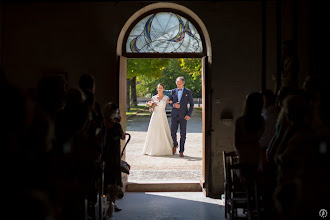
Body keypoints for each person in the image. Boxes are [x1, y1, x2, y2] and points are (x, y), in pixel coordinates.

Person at [103, 102, 125, 213]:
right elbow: (122, 137)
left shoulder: (102, 124)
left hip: (104, 155)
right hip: (114, 156)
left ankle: (103, 200)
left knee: (104, 179)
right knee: (114, 181)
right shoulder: (116, 126)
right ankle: (112, 204)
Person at [142, 83, 173, 156]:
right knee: (154, 131)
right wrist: (150, 107)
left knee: (163, 130)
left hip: (162, 115)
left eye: (161, 88)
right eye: (158, 88)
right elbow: (152, 108)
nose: (159, 89)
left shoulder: (166, 98)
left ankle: (165, 148)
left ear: (163, 89)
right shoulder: (153, 97)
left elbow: (170, 103)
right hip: (155, 115)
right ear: (157, 89)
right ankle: (152, 148)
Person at [169, 76, 194, 157]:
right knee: (173, 133)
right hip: (174, 115)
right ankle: (175, 144)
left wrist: (189, 114)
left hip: (184, 116)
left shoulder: (188, 92)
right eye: (177, 83)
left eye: (179, 84)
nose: (178, 85)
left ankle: (181, 150)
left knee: (183, 134)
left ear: (183, 83)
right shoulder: (173, 91)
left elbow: (191, 104)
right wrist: (173, 104)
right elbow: (170, 102)